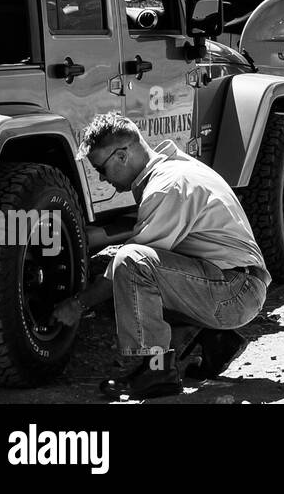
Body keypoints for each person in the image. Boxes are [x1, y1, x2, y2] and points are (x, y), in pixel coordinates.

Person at [52, 113, 271, 400]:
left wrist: (78, 304)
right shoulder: (173, 168)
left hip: (234, 291)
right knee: (122, 279)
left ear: (122, 155)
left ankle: (157, 373)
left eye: (101, 169)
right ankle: (212, 340)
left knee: (129, 264)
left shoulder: (166, 186)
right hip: (232, 283)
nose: (103, 179)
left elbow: (132, 266)